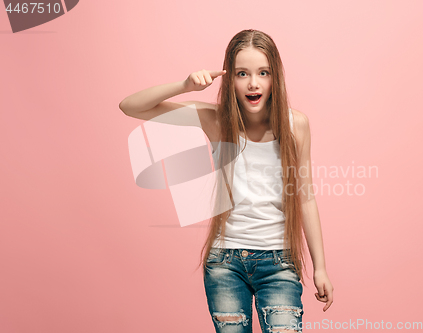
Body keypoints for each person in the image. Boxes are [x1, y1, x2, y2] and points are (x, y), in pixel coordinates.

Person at [119, 29, 333, 333]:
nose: (253, 83)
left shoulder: (296, 125)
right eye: (242, 73)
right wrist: (184, 85)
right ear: (229, 79)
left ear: (276, 77)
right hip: (225, 264)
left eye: (263, 72)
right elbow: (131, 106)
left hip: (280, 263)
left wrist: (320, 267)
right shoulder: (216, 120)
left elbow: (306, 197)